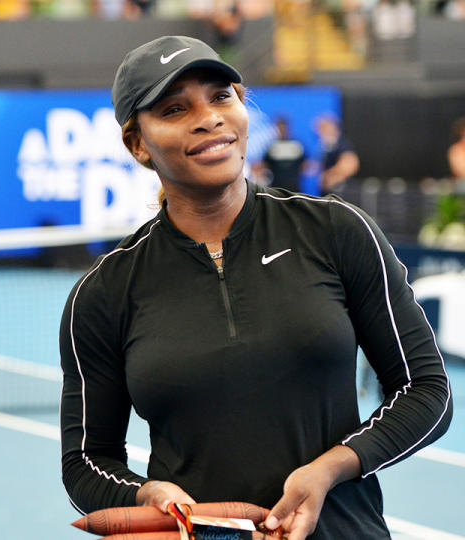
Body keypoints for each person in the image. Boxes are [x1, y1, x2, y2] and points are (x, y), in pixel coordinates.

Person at [59, 35, 451, 540]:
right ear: (139, 144)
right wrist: (147, 495)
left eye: (221, 97)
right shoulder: (104, 292)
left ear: (242, 107)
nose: (209, 118)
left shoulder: (337, 232)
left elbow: (427, 390)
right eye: (175, 109)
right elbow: (87, 462)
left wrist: (330, 467)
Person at [254, 116, 306, 192]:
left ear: (287, 128)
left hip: (294, 186)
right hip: (276, 186)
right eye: (279, 127)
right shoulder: (272, 146)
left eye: (283, 127)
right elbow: (266, 164)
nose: (281, 130)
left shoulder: (296, 145)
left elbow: (304, 164)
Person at [315, 113, 359, 195]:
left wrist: (331, 175)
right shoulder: (327, 145)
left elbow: (351, 164)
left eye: (322, 128)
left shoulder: (342, 144)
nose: (319, 132)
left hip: (340, 190)